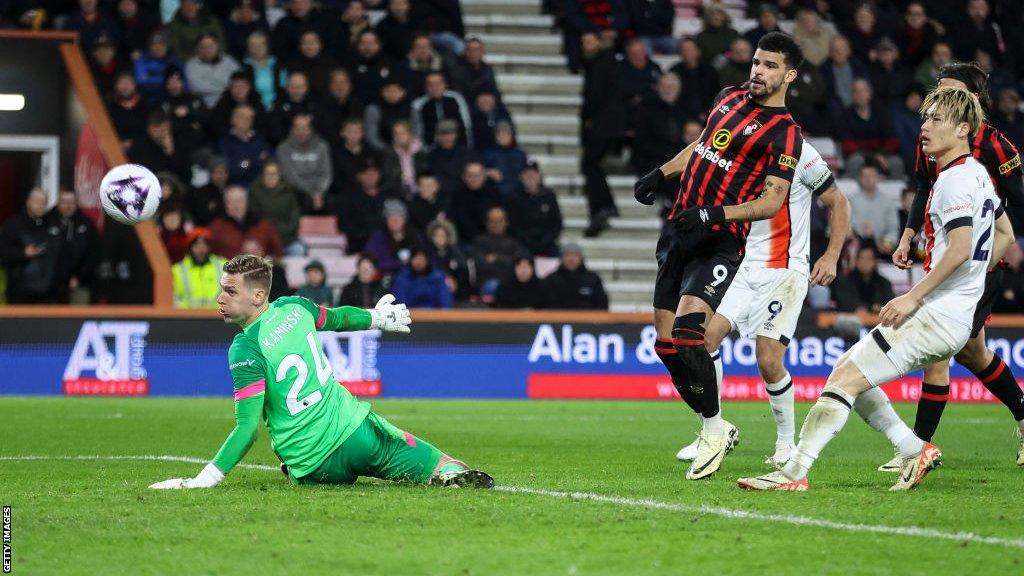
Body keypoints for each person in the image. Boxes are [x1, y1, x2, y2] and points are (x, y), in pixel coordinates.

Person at [738, 86, 1014, 492]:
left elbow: (959, 248)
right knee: (849, 371)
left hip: (936, 314)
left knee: (841, 382)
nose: (925, 127)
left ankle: (792, 473)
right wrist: (971, 285)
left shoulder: (955, 180)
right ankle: (912, 446)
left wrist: (915, 296)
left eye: (937, 119)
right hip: (953, 314)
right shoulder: (978, 176)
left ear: (962, 129)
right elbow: (1003, 233)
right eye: (925, 117)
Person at [149, 255, 492, 489]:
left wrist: (204, 479)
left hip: (314, 466)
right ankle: (447, 474)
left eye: (229, 290)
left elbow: (247, 427)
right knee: (438, 462)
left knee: (293, 463)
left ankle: (291, 465)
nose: (220, 297)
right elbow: (338, 318)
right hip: (359, 435)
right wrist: (375, 317)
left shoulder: (245, 348)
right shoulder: (295, 307)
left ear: (257, 295)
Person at [632, 32, 805, 480]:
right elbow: (704, 145)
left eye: (769, 66)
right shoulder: (728, 96)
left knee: (692, 335)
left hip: (720, 240)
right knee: (667, 344)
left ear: (789, 76)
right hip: (679, 233)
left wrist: (715, 213)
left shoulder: (786, 133)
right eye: (756, 62)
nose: (758, 71)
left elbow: (772, 201)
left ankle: (712, 430)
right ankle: (717, 427)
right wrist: (660, 173)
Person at [877, 63, 1024, 469]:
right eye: (936, 95)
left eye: (950, 94)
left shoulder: (997, 147)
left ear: (975, 100)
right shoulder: (933, 137)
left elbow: (1017, 201)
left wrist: (998, 246)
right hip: (945, 253)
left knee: (938, 353)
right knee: (972, 354)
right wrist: (909, 234)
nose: (937, 105)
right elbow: (923, 185)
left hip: (976, 262)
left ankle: (916, 450)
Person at [677, 142, 851, 466]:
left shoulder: (802, 154)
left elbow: (838, 202)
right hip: (744, 268)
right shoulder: (741, 151)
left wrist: (831, 255)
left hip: (785, 270)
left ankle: (786, 445)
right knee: (702, 341)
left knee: (768, 359)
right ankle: (713, 433)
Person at [579, 32, 624, 237]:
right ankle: (607, 205)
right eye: (583, 43)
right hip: (608, 124)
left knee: (590, 164)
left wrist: (586, 117)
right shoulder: (607, 62)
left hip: (602, 125)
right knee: (592, 164)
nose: (586, 46)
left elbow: (594, 97)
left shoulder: (600, 64)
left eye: (590, 41)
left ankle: (603, 206)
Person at [0, 188, 61, 303]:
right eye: (36, 201)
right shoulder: (12, 226)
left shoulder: (54, 225)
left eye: (44, 202)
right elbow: (3, 254)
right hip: (21, 294)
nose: (40, 205)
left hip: (50, 294)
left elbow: (62, 255)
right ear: (28, 202)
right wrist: (23, 253)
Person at [51, 189, 100, 304]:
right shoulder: (48, 222)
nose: (68, 206)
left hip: (80, 285)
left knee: (77, 318)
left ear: (77, 203)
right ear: (57, 203)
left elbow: (93, 254)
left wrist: (79, 278)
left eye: (71, 202)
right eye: (64, 202)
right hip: (51, 286)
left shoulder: (86, 224)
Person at [209, 186, 284, 258]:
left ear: (246, 203)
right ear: (226, 205)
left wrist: (262, 254)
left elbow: (278, 253)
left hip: (259, 269)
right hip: (228, 269)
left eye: (239, 201)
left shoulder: (264, 226)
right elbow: (207, 255)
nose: (236, 205)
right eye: (231, 202)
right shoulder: (216, 227)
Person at [248, 159, 304, 256]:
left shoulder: (288, 192)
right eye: (268, 174)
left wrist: (278, 232)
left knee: (298, 250)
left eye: (274, 174)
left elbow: (294, 219)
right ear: (262, 175)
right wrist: (270, 233)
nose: (271, 177)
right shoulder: (255, 191)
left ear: (279, 175)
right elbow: (254, 217)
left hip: (286, 240)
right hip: (264, 241)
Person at [507, 161, 562, 257]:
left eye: (533, 174)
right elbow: (512, 225)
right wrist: (527, 240)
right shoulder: (514, 197)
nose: (530, 177)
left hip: (546, 243)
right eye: (527, 174)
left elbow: (556, 223)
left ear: (539, 175)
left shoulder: (549, 196)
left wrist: (545, 240)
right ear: (521, 176)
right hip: (522, 243)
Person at [277, 114, 333, 206]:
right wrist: (312, 192)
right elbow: (290, 176)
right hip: (295, 190)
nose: (301, 132)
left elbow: (326, 173)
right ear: (292, 129)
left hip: (320, 189)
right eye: (297, 128)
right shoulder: (283, 148)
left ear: (311, 129)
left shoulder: (322, 146)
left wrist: (319, 192)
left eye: (305, 128)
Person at [847, 163, 900, 256]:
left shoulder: (888, 201)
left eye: (872, 176)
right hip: (856, 245)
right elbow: (847, 225)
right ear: (859, 178)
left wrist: (886, 243)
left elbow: (893, 228)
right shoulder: (851, 201)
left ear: (878, 178)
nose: (868, 179)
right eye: (865, 176)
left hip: (881, 247)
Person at [172, 228, 226, 309]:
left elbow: (233, 294)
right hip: (188, 318)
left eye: (205, 244)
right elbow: (172, 299)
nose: (201, 248)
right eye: (197, 244)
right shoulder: (177, 270)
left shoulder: (223, 266)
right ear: (190, 247)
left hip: (218, 317)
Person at [543, 243, 608, 310]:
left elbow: (602, 304)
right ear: (561, 258)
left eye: (575, 255)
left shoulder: (593, 279)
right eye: (567, 255)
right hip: (557, 319)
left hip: (587, 319)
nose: (571, 259)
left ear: (581, 258)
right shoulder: (551, 280)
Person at [833, 245, 895, 313]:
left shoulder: (884, 283)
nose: (865, 262)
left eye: (869, 258)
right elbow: (846, 303)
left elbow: (890, 305)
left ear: (875, 262)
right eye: (861, 258)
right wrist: (870, 307)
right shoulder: (845, 281)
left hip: (879, 320)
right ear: (856, 261)